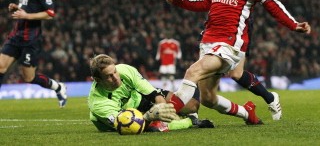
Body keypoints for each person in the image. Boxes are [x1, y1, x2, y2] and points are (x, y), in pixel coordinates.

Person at [166, 0, 311, 124]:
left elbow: (271, 4)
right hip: (208, 40)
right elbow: (204, 3)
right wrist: (180, 1)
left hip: (229, 44)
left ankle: (163, 118)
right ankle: (246, 113)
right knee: (208, 99)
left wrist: (294, 24)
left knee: (192, 72)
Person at [191, 0, 281, 120]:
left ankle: (268, 98)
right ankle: (193, 112)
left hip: (239, 21)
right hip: (219, 16)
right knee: (203, 69)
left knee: (236, 74)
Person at [88, 54, 262, 133]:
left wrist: (163, 107)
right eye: (109, 76)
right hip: (123, 117)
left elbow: (152, 93)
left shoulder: (124, 70)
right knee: (150, 127)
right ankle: (189, 122)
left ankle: (189, 117)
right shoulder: (99, 103)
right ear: (97, 80)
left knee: (193, 105)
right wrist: (150, 117)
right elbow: (126, 124)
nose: (115, 77)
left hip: (140, 100)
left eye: (115, 72)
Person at [0, 0, 67, 107]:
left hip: (30, 40)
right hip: (16, 35)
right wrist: (16, 8)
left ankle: (58, 87)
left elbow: (50, 14)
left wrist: (26, 16)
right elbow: (28, 7)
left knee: (29, 78)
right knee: (0, 66)